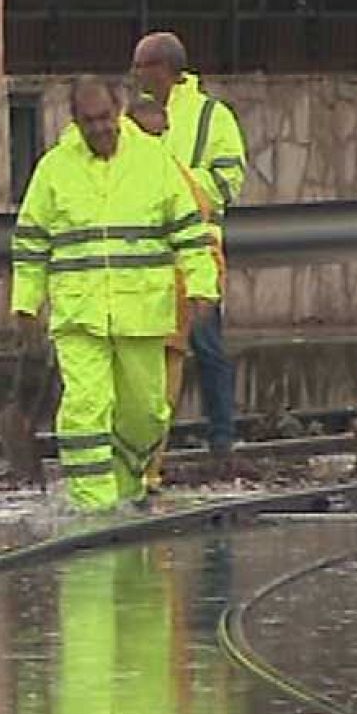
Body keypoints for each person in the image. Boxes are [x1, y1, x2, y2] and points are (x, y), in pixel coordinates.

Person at [11, 76, 217, 513]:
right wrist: (25, 302)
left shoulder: (154, 162)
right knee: (86, 407)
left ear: (119, 109)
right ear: (74, 121)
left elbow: (189, 232)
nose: (100, 128)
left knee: (146, 414)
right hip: (79, 315)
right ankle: (95, 508)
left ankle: (126, 489)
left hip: (141, 312)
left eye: (105, 117)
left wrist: (202, 286)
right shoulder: (54, 169)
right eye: (89, 121)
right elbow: (30, 242)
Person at [132, 31, 248, 468]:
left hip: (196, 253)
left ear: (164, 68)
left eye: (142, 65)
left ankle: (222, 442)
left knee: (207, 346)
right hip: (148, 256)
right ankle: (152, 449)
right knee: (154, 355)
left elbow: (228, 181)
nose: (136, 74)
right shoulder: (135, 116)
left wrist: (174, 187)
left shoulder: (211, 117)